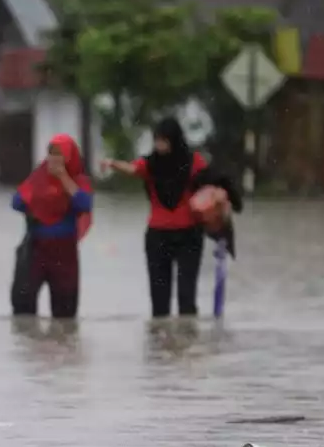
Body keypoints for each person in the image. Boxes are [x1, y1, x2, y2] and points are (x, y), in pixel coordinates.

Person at [101, 117, 240, 317]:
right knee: (159, 303)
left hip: (189, 236)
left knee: (186, 299)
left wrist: (223, 196)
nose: (159, 145)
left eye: (164, 141)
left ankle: (186, 341)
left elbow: (214, 181)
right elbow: (132, 168)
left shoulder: (193, 161)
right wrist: (112, 163)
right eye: (157, 140)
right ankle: (160, 345)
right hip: (157, 238)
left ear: (174, 140)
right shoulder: (151, 164)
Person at [9, 134, 94, 318]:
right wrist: (41, 198)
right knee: (23, 311)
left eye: (59, 154)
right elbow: (16, 202)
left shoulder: (79, 181)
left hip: (64, 254)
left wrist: (63, 178)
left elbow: (84, 205)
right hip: (36, 249)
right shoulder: (39, 177)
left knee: (65, 315)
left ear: (69, 157)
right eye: (50, 154)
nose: (53, 159)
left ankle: (63, 346)